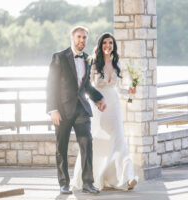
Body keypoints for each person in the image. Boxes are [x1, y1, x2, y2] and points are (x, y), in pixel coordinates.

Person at [71, 32, 138, 191]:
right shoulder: (93, 63)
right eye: (105, 43)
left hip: (114, 105)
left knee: (119, 140)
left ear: (113, 46)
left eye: (111, 43)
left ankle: (127, 178)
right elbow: (88, 87)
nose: (108, 46)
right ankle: (92, 178)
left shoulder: (117, 63)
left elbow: (118, 89)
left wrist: (129, 91)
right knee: (97, 140)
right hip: (99, 105)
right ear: (100, 46)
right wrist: (97, 101)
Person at [46, 26, 106, 195]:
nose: (82, 40)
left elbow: (85, 86)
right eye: (79, 37)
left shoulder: (88, 58)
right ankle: (64, 183)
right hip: (62, 110)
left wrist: (98, 98)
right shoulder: (59, 57)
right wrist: (52, 109)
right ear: (72, 38)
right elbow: (51, 85)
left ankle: (88, 183)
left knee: (87, 143)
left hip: (81, 109)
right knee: (62, 147)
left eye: (85, 37)